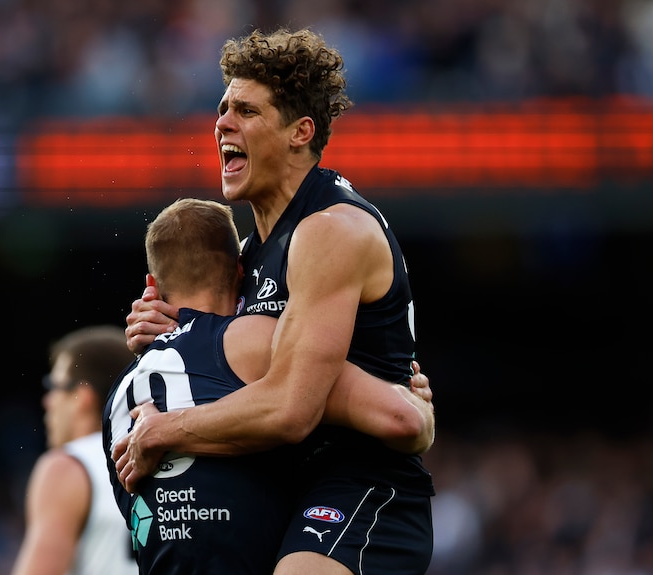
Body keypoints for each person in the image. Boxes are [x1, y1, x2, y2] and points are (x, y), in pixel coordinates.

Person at [117, 27, 436, 575]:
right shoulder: (253, 251)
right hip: (288, 482)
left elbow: (290, 410)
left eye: (245, 110)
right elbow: (240, 354)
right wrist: (177, 327)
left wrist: (162, 430)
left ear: (299, 132)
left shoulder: (329, 230)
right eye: (221, 108)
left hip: (360, 483)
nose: (221, 123)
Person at [103, 197, 434, 575]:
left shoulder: (118, 398)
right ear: (243, 272)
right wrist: (414, 399)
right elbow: (401, 418)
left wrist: (167, 430)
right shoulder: (255, 340)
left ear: (151, 286)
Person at [11, 325, 138, 575]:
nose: (47, 401)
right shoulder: (168, 457)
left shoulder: (68, 466)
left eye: (53, 386)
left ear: (82, 396)